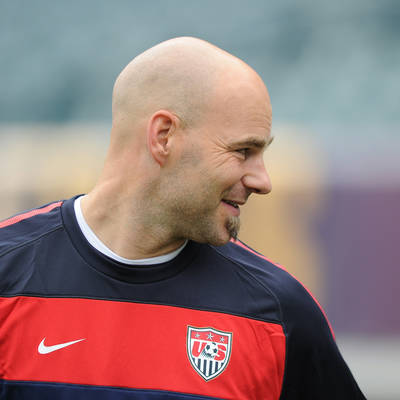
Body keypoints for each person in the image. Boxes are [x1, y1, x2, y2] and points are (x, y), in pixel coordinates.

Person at [0, 37, 365, 399]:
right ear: (164, 136)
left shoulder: (280, 315)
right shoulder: (7, 276)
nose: (263, 181)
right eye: (243, 151)